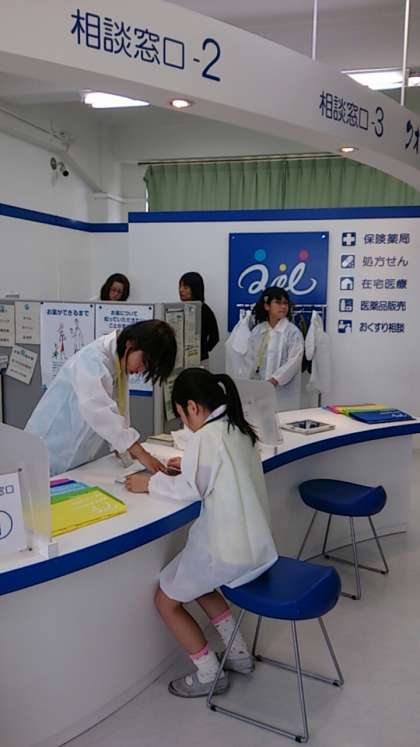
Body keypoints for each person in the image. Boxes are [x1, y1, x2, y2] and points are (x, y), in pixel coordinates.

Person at [125, 368, 277, 698]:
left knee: (166, 600)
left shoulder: (207, 437)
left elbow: (192, 489)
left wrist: (148, 483)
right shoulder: (237, 428)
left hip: (226, 549)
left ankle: (209, 674)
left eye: (182, 416)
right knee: (198, 584)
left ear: (192, 407)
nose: (185, 424)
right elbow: (219, 472)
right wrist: (189, 465)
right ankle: (239, 656)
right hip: (253, 546)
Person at [26, 321, 176, 476]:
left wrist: (122, 445)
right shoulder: (92, 360)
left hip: (73, 457)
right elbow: (97, 409)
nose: (141, 370)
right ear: (130, 344)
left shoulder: (118, 362)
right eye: (144, 363)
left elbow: (117, 410)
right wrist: (138, 450)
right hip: (47, 448)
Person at [245, 287, 304, 410]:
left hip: (284, 395)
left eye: (285, 303)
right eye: (278, 302)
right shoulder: (258, 331)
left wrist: (275, 379)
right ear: (267, 306)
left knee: (284, 419)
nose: (283, 307)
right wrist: (251, 383)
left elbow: (294, 361)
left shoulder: (293, 332)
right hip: (259, 391)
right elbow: (250, 359)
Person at [179, 272, 219, 365]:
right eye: (180, 286)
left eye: (185, 287)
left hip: (199, 360)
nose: (181, 290)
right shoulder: (179, 308)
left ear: (195, 289)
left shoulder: (204, 309)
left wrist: (202, 350)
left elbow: (215, 337)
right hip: (181, 360)